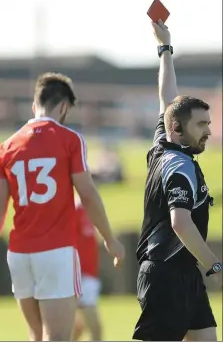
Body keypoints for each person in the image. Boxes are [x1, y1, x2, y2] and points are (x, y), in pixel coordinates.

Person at [0, 72, 125, 341]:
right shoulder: (70, 139)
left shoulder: (6, 146)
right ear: (64, 107)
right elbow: (88, 194)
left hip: (19, 254)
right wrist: (110, 239)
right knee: (57, 337)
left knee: (36, 336)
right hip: (56, 252)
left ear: (34, 106)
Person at [132, 20, 222, 342]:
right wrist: (214, 265)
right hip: (165, 274)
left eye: (208, 123)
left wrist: (165, 49)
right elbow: (180, 223)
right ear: (178, 129)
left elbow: (166, 97)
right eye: (201, 124)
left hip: (185, 272)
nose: (209, 131)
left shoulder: (164, 141)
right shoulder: (178, 165)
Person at [73, 197, 102, 341]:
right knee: (95, 328)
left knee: (76, 330)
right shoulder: (75, 209)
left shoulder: (91, 209)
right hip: (80, 277)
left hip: (90, 274)